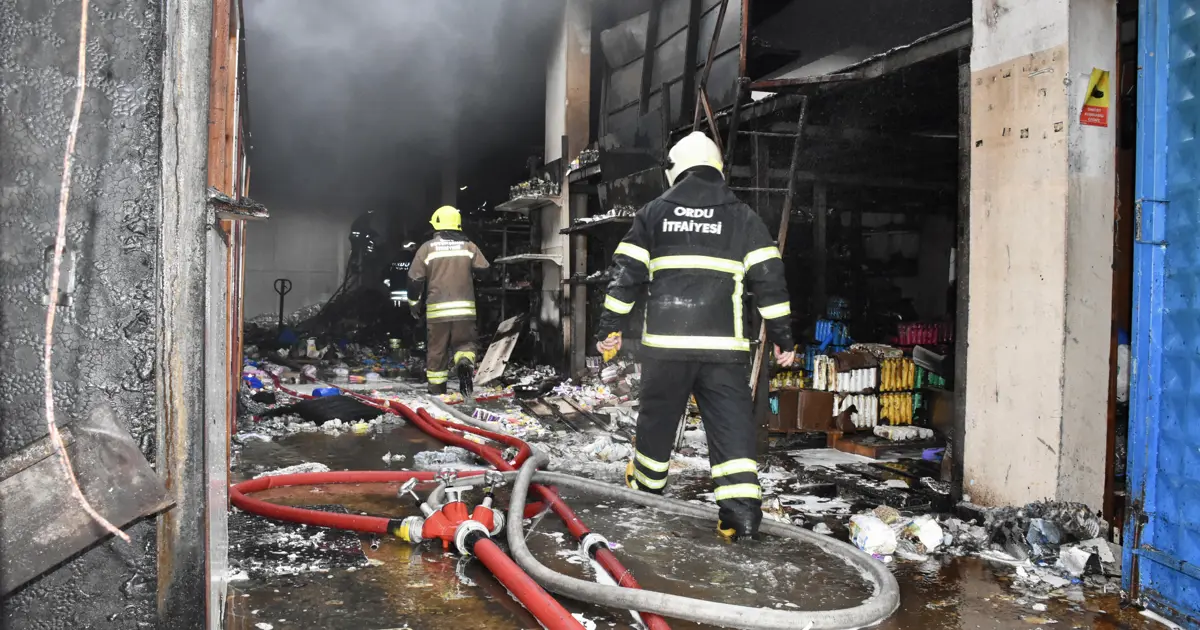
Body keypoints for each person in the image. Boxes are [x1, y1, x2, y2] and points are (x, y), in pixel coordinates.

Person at [596, 131, 796, 541]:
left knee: (657, 422)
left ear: (676, 167)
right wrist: (783, 337)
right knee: (731, 426)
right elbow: (770, 280)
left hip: (666, 349)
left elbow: (625, 277)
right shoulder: (742, 216)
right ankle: (740, 515)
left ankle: (648, 497)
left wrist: (609, 328)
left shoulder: (654, 212)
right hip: (724, 351)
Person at [407, 206, 489, 395]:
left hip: (437, 313)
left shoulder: (427, 248)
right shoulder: (469, 246)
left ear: (436, 224)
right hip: (465, 312)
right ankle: (464, 361)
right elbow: (485, 271)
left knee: (437, 350)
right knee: (466, 344)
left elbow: (414, 280)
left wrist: (414, 305)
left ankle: (437, 391)